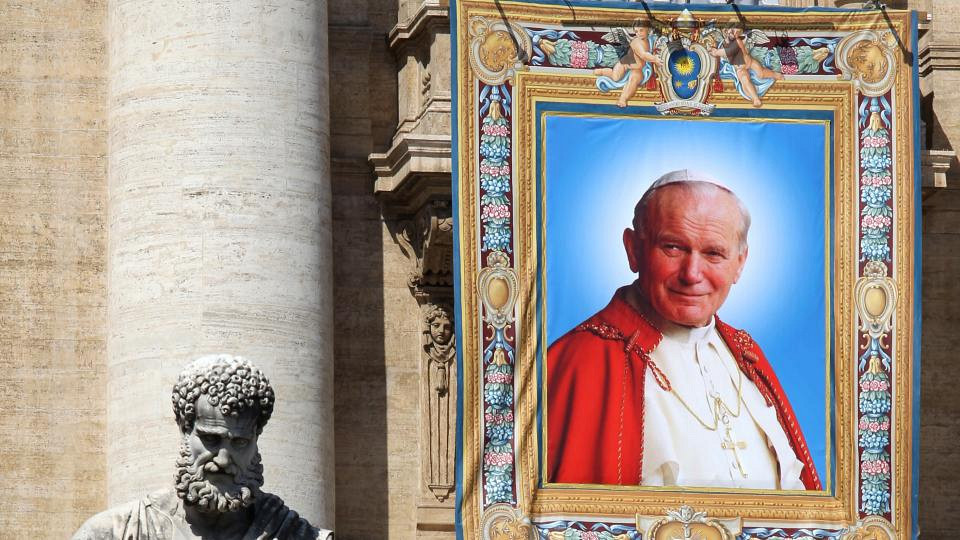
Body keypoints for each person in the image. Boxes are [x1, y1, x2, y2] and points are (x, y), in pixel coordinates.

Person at [546, 170, 820, 491]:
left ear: (740, 263)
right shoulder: (581, 360)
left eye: (714, 253)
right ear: (633, 250)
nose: (692, 274)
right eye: (673, 247)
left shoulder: (747, 355)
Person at [72, 354, 334, 540]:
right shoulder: (114, 533)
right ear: (185, 429)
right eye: (211, 439)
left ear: (256, 437)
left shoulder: (297, 535)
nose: (223, 460)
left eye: (239, 442)